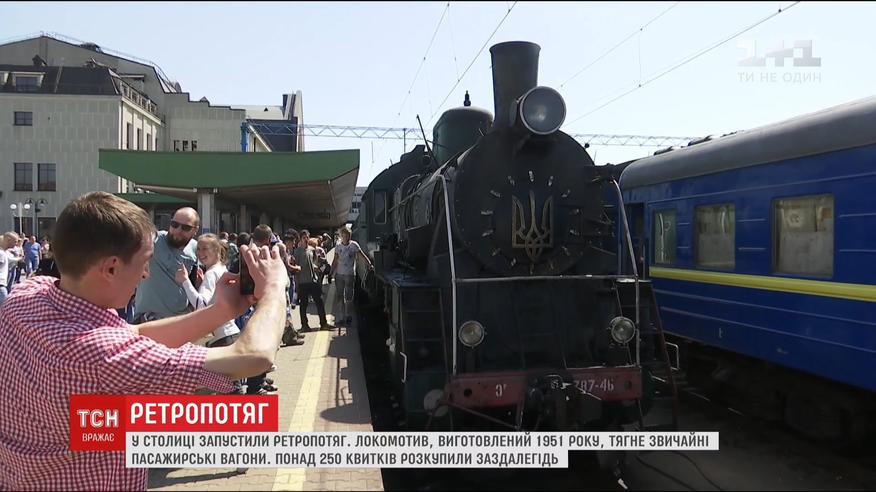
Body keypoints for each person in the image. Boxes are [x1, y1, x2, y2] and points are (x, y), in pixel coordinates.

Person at [0, 192, 288, 490]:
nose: (146, 274)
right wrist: (275, 289)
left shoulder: (28, 294)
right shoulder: (102, 357)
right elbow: (253, 356)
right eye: (144, 262)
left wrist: (220, 311)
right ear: (111, 268)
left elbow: (130, 334)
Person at [176, 233, 243, 394]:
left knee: (228, 390)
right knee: (231, 389)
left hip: (221, 338)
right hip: (230, 334)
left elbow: (201, 305)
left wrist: (185, 281)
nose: (200, 253)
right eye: (198, 249)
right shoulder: (222, 270)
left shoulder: (211, 273)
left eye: (205, 249)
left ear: (217, 251)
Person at [132, 207, 200, 323]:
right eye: (174, 224)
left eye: (185, 227)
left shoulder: (196, 249)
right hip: (148, 320)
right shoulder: (153, 240)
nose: (178, 230)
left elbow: (195, 281)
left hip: (180, 320)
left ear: (195, 230)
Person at [330, 226, 373, 327]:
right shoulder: (338, 247)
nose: (346, 238)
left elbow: (361, 255)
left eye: (347, 236)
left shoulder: (354, 245)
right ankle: (341, 317)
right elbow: (335, 260)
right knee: (340, 296)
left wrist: (369, 263)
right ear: (341, 236)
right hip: (339, 274)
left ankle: (348, 316)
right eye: (344, 236)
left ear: (350, 236)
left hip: (350, 274)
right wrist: (331, 272)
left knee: (349, 297)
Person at [294, 229, 331, 331]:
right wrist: (297, 284)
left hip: (313, 280)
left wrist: (317, 268)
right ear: (300, 239)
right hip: (303, 282)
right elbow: (296, 269)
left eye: (307, 237)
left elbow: (312, 262)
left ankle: (323, 323)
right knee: (303, 304)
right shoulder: (297, 252)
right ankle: (304, 325)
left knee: (319, 301)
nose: (306, 239)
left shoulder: (311, 250)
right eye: (304, 238)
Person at [0, 232, 18, 307]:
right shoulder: (1, 253)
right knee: (5, 309)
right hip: (0, 286)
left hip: (2, 285)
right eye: (15, 241)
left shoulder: (4, 252)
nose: (16, 244)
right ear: (8, 240)